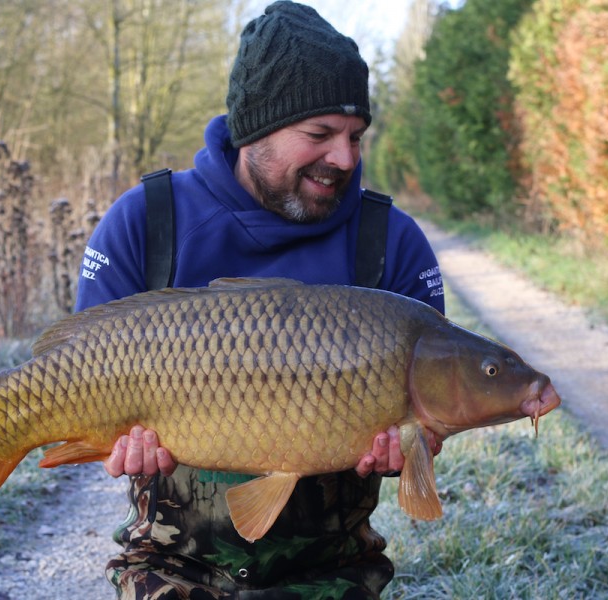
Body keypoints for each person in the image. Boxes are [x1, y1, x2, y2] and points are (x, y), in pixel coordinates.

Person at [75, 2, 445, 597]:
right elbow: (82, 369)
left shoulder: (393, 242)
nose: (345, 159)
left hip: (334, 571)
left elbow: (430, 414)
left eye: (355, 136)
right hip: (171, 567)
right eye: (319, 135)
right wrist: (118, 445)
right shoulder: (147, 222)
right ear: (254, 131)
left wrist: (415, 445)